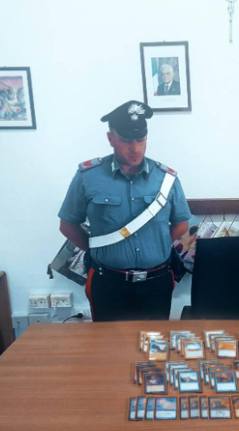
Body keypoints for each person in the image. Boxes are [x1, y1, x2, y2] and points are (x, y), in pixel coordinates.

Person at [58, 100, 191, 321]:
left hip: (156, 283)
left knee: (153, 341)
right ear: (111, 138)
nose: (135, 148)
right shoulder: (88, 177)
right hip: (107, 283)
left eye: (140, 139)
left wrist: (154, 245)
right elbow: (67, 225)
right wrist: (99, 249)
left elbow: (181, 224)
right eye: (126, 140)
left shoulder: (166, 178)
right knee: (108, 343)